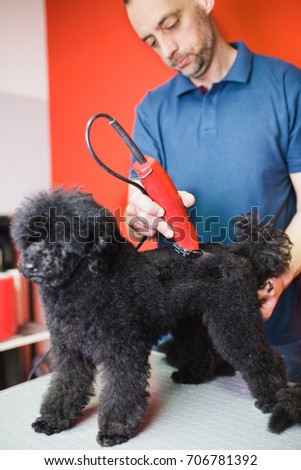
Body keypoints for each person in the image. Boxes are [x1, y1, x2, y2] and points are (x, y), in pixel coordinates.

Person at [123, 0, 301, 381]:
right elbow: (135, 218)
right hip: (185, 340)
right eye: (151, 41)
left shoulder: (287, 86)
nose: (167, 50)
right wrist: (140, 218)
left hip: (275, 336)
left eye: (170, 24)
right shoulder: (152, 110)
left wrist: (280, 277)